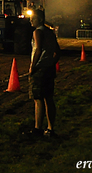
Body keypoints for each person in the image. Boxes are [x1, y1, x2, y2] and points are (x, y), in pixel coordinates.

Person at [28, 9, 61, 137]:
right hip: (49, 68)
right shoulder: (50, 33)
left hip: (40, 69)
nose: (31, 21)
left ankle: (37, 128)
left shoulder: (38, 32)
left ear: (40, 20)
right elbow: (57, 51)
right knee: (49, 98)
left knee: (38, 99)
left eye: (33, 19)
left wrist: (33, 66)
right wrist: (52, 62)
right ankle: (50, 128)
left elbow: (38, 50)